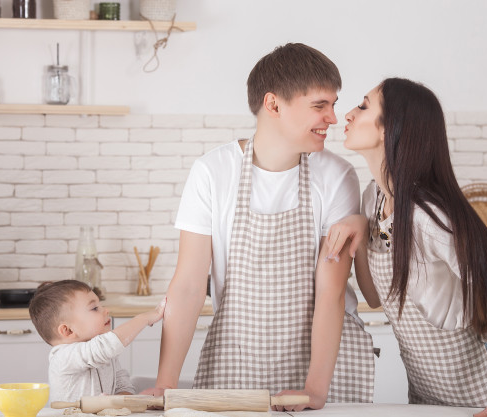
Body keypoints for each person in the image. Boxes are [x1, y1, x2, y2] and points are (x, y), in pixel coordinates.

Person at [145, 43, 375, 411]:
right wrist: (164, 385)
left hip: (322, 368)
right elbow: (188, 286)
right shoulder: (213, 172)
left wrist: (313, 390)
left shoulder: (335, 175)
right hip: (236, 357)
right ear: (273, 104)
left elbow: (330, 293)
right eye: (319, 105)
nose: (333, 117)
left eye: (334, 104)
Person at [325, 78, 487, 417]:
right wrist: (362, 231)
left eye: (363, 106)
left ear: (389, 128)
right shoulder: (374, 198)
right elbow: (376, 297)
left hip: (478, 390)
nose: (348, 114)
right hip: (425, 391)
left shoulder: (429, 215)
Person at [29, 279, 166, 402]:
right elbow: (105, 347)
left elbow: (122, 382)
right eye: (94, 308)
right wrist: (143, 319)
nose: (106, 310)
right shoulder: (62, 357)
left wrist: (119, 400)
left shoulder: (103, 354)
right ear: (68, 331)